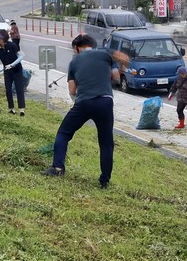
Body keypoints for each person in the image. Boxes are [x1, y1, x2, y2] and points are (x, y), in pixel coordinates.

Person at [42, 34, 127, 189]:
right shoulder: (106, 55)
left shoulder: (74, 61)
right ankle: (104, 180)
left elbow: (72, 90)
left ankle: (58, 168)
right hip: (105, 101)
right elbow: (116, 78)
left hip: (84, 101)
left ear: (77, 48)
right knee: (106, 142)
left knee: (63, 133)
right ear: (93, 45)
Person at [0, 29, 26, 116]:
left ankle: (21, 109)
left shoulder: (12, 45)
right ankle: (11, 108)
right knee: (8, 90)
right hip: (7, 71)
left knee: (19, 89)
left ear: (4, 38)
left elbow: (21, 56)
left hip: (17, 70)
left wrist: (12, 65)